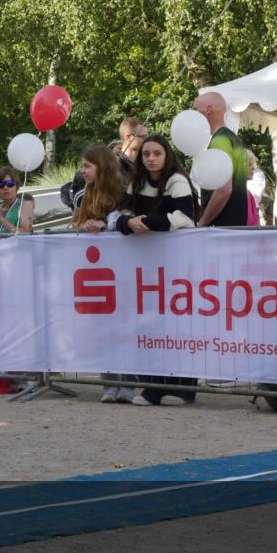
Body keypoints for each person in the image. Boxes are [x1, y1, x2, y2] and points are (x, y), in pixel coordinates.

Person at [110, 134, 200, 406]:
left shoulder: (177, 181)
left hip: (177, 264)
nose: (151, 158)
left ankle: (183, 389)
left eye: (156, 153)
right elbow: (119, 215)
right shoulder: (136, 183)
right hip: (146, 266)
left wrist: (146, 222)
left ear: (166, 155)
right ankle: (152, 387)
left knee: (178, 325)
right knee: (149, 325)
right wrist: (129, 223)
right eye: (146, 154)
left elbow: (184, 218)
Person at [193, 92, 248, 227]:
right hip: (236, 224)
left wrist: (203, 222)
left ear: (208, 109)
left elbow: (224, 190)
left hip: (221, 227)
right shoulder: (234, 139)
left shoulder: (220, 140)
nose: (194, 114)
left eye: (196, 109)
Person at [72, 147, 124, 232]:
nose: (82, 171)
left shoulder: (126, 193)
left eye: (86, 166)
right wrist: (85, 225)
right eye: (82, 166)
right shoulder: (81, 196)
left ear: (103, 167)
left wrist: (106, 226)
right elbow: (75, 223)